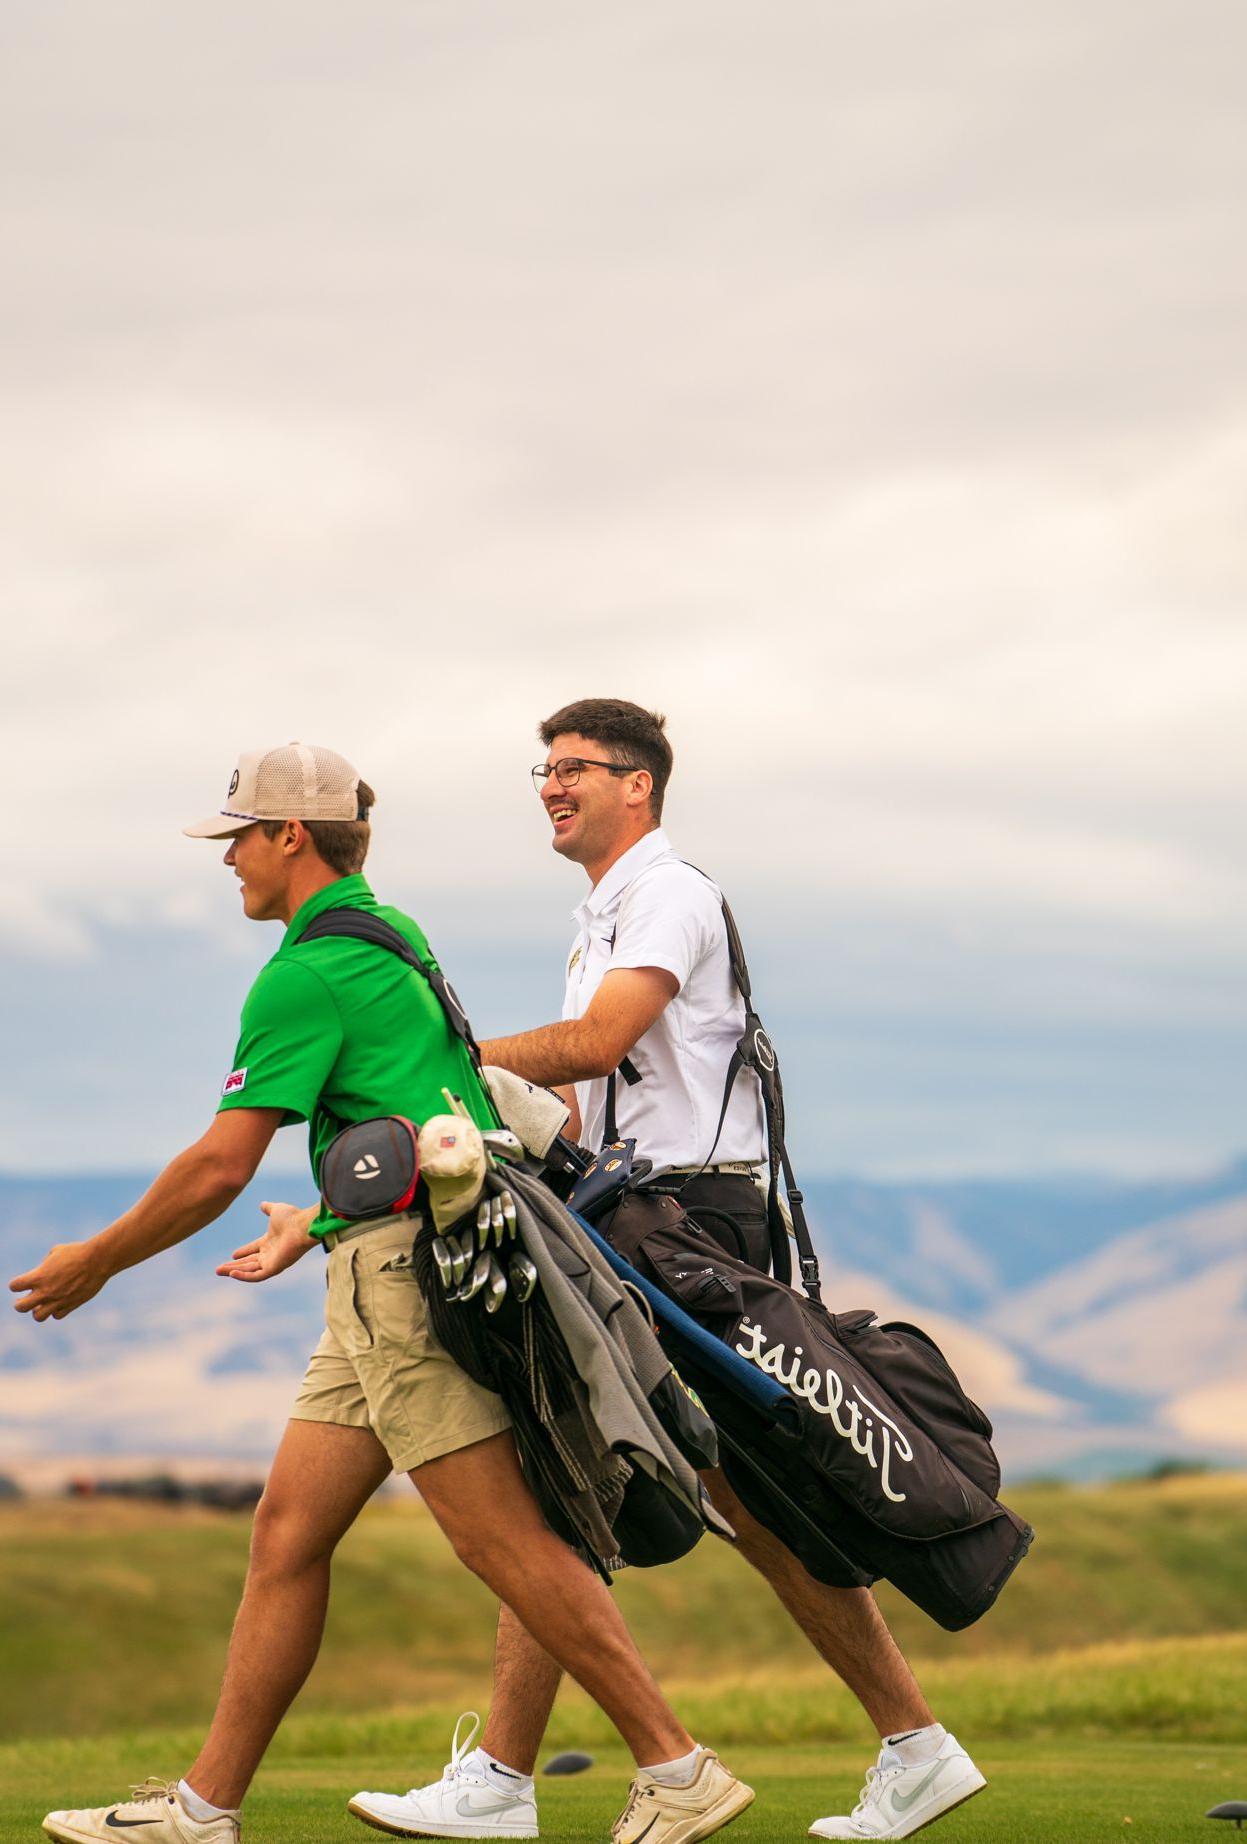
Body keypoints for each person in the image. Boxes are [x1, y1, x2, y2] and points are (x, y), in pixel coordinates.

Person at [9, 739, 753, 1844]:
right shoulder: (390, 935)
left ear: (289, 836)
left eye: (239, 842)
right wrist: (314, 1221)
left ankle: (674, 1763)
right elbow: (422, 1106)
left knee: (501, 1540)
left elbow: (219, 1164)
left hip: (404, 1281)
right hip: (381, 1265)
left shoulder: (304, 973)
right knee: (285, 1532)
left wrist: (97, 1260)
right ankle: (204, 1808)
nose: (230, 866)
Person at [347, 700, 986, 1843]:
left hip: (694, 1223)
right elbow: (586, 1098)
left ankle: (900, 1742)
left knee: (622, 1466)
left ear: (636, 784)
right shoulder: (600, 912)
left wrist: (438, 1056)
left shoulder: (668, 892)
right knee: (634, 1472)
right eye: (541, 768)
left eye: (573, 768)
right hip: (645, 1216)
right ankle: (906, 1745)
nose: (550, 785)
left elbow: (595, 1040)